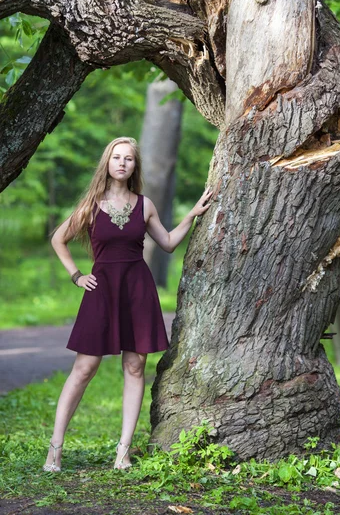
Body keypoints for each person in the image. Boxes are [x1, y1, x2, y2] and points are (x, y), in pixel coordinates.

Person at [42, 136, 212, 472]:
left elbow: (166, 243)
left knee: (135, 367)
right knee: (84, 369)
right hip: (101, 289)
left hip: (137, 290)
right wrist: (76, 275)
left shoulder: (144, 205)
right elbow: (57, 238)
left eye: (129, 159)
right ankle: (54, 449)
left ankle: (123, 451)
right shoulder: (91, 205)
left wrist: (192, 214)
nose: (122, 163)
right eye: (117, 157)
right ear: (107, 162)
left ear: (135, 166)